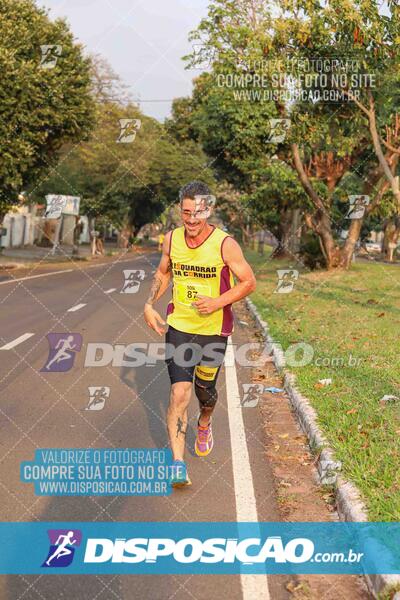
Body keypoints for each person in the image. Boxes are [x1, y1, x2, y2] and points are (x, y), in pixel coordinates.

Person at [144, 181, 256, 488]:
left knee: (205, 393)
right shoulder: (171, 239)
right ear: (180, 209)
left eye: (198, 213)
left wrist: (218, 302)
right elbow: (163, 272)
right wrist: (149, 303)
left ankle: (205, 422)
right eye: (186, 212)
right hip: (179, 327)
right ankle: (178, 464)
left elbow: (248, 282)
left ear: (209, 210)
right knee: (179, 393)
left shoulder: (225, 244)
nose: (191, 220)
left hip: (213, 330)